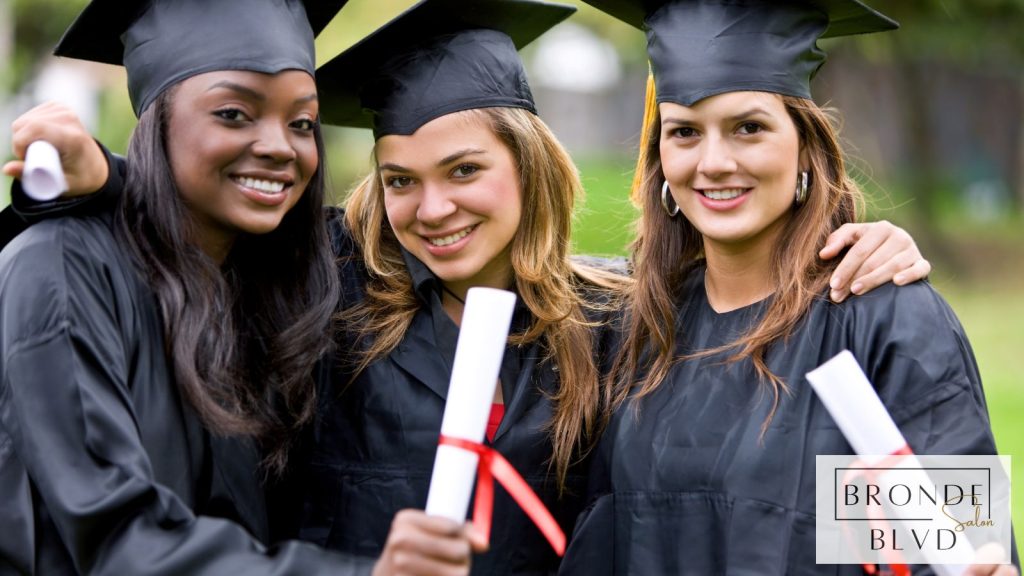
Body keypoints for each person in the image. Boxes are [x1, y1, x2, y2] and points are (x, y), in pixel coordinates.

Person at [2, 1, 931, 574]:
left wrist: (868, 246)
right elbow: (208, 224)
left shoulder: (633, 327)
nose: (431, 209)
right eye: (399, 179)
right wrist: (116, 180)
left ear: (529, 168)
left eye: (464, 171)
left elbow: (949, 534)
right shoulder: (326, 298)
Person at [0, 0, 484, 574]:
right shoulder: (61, 268)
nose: (281, 146)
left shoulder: (265, 279)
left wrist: (115, 179)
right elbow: (112, 537)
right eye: (234, 113)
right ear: (158, 120)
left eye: (302, 123)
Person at [557, 1, 1019, 574]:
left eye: (748, 128)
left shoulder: (882, 321)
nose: (714, 161)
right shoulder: (628, 327)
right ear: (660, 159)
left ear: (804, 146)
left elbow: (961, 549)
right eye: (684, 132)